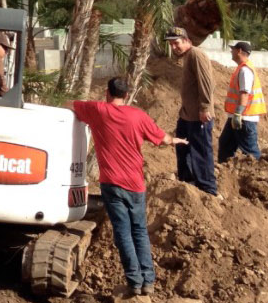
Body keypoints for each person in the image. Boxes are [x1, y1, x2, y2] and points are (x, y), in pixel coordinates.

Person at [69, 77, 185, 299]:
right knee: (139, 231)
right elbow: (162, 139)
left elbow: (71, 105)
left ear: (107, 93)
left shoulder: (97, 110)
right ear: (127, 94)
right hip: (135, 185)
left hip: (111, 184)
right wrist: (174, 140)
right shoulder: (138, 116)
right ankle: (148, 282)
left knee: (123, 233)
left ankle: (134, 282)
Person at [166, 26, 218, 196]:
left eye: (176, 43)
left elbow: (206, 83)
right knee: (183, 147)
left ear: (187, 41)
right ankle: (187, 184)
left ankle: (208, 190)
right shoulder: (188, 57)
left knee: (200, 152)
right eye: (171, 44)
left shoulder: (196, 54)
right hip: (187, 115)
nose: (174, 47)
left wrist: (204, 107)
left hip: (199, 116)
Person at [218, 40, 266, 162]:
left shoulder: (245, 70)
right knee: (225, 145)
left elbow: (244, 93)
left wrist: (238, 113)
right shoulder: (242, 68)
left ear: (239, 51)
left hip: (244, 118)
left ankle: (259, 176)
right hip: (237, 117)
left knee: (250, 150)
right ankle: (224, 173)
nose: (231, 51)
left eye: (233, 49)